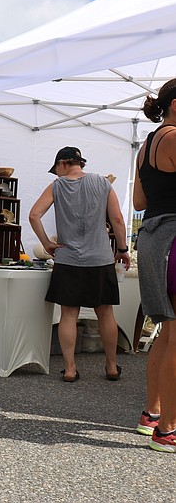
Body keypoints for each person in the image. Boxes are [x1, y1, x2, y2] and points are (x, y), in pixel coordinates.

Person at [29, 146, 129, 382]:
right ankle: (112, 366)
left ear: (63, 163)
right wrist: (123, 249)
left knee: (68, 315)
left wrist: (47, 244)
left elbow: (34, 215)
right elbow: (117, 219)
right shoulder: (103, 183)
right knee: (105, 313)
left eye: (56, 169)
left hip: (69, 260)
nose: (56, 175)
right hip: (100, 259)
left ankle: (71, 369)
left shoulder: (57, 186)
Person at [133, 78, 176, 453]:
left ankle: (152, 415)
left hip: (152, 236)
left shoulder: (146, 144)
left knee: (167, 329)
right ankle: (169, 429)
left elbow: (138, 200)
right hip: (174, 237)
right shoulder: (175, 137)